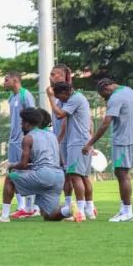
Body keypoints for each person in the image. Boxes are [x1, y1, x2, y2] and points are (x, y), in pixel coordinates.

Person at [83, 78, 133, 222]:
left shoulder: (115, 97)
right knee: (122, 173)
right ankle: (124, 210)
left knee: (122, 173)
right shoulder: (128, 90)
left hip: (123, 140)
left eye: (104, 96)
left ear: (106, 88)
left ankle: (127, 212)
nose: (105, 99)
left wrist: (90, 143)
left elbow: (105, 124)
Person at [1, 108, 71, 221]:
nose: (21, 125)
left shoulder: (28, 138)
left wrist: (10, 165)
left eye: (22, 123)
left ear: (27, 123)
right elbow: (60, 161)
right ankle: (69, 210)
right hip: (58, 177)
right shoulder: (52, 136)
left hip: (43, 176)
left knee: (10, 178)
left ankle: (4, 216)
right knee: (48, 215)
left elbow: (23, 164)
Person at [48, 81, 94, 222]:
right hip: (83, 140)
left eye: (59, 97)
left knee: (75, 175)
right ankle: (89, 209)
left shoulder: (75, 99)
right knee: (84, 176)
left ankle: (80, 212)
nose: (60, 101)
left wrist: (50, 98)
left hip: (77, 142)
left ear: (64, 92)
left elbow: (60, 115)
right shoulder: (78, 97)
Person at [3, 71, 38, 218]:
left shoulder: (25, 95)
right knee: (14, 172)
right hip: (13, 140)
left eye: (6, 80)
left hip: (23, 140)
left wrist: (29, 138)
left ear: (15, 80)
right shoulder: (12, 97)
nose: (4, 82)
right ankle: (21, 206)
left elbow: (34, 117)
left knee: (26, 170)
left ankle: (33, 207)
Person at [47, 64, 74, 213]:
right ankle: (68, 204)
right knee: (64, 174)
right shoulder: (58, 97)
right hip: (60, 140)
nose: (50, 77)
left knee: (73, 174)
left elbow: (63, 118)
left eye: (53, 74)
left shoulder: (66, 95)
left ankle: (83, 206)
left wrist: (57, 141)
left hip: (68, 141)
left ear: (62, 76)